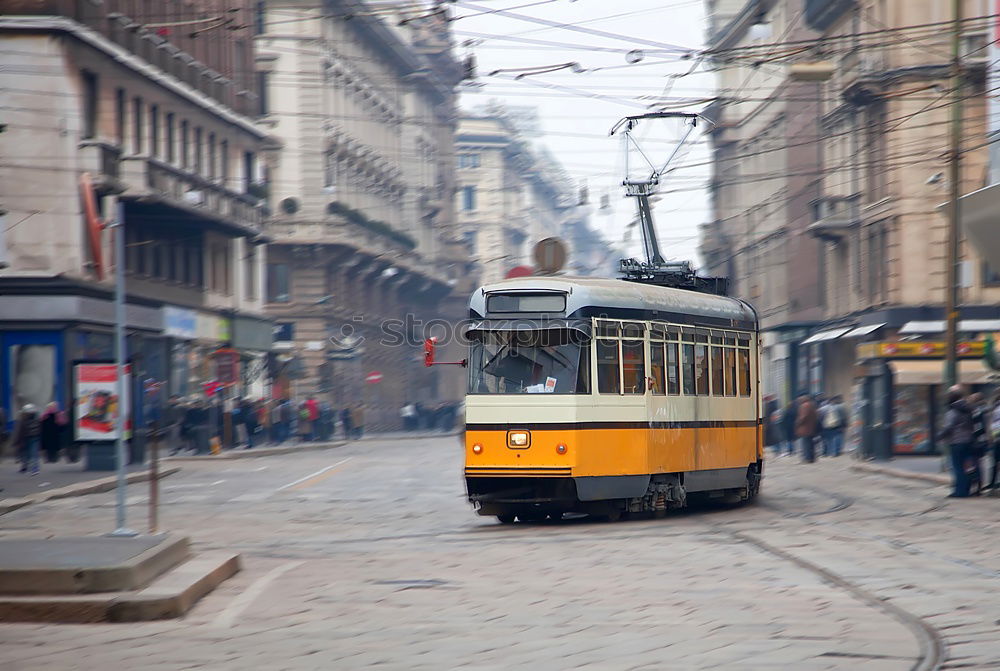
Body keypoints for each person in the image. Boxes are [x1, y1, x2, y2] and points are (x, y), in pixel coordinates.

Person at [939, 385, 975, 498]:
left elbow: (949, 426)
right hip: (968, 440)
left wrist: (940, 435)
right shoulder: (968, 408)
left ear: (952, 396)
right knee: (966, 467)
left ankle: (959, 492)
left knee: (957, 467)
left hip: (956, 441)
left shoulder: (954, 409)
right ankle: (966, 490)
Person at [11, 403, 41, 475]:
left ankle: (28, 467)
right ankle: (34, 468)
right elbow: (39, 428)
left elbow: (19, 430)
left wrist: (16, 440)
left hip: (26, 438)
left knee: (27, 453)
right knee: (33, 454)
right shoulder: (36, 418)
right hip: (34, 437)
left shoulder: (23, 419)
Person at [794, 393, 819, 463]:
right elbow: (816, 416)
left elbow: (802, 417)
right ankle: (812, 458)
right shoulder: (812, 405)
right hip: (811, 427)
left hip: (804, 428)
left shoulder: (804, 406)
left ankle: (807, 458)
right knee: (811, 444)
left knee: (806, 444)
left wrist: (797, 423)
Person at [988, 391, 1000, 491]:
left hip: (997, 438)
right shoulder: (996, 407)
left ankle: (993, 482)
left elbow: (994, 424)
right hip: (996, 437)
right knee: (995, 461)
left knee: (995, 462)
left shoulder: (996, 408)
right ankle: (993, 482)